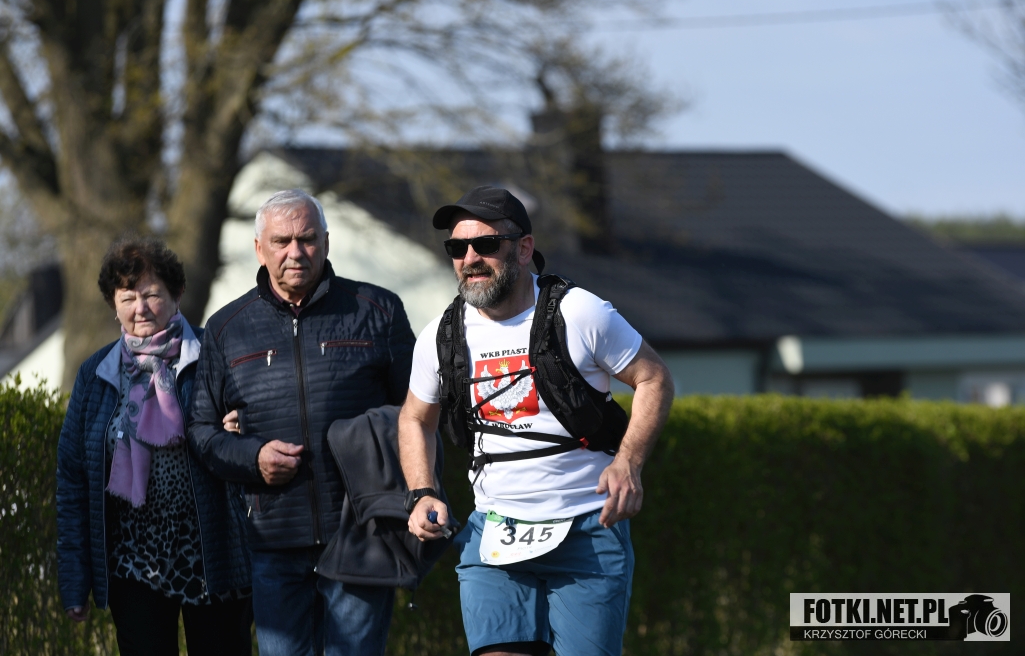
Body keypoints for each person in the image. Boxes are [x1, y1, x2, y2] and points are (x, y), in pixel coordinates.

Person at [399, 186, 675, 656]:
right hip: (494, 531)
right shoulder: (440, 336)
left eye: (486, 244)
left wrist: (628, 462)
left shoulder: (579, 313)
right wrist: (422, 491)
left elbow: (654, 379)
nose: (470, 258)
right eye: (457, 248)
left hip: (587, 527)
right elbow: (414, 418)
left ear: (524, 248)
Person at [187, 189, 416, 656]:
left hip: (360, 533)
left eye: (308, 239)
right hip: (272, 540)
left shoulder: (378, 310)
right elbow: (201, 431)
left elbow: (418, 415)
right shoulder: (226, 328)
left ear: (326, 242)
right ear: (259, 249)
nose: (296, 252)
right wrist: (252, 456)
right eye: (281, 241)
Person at [56, 237, 252, 656]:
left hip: (212, 556)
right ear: (113, 304)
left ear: (177, 293)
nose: (140, 308)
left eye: (151, 295)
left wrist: (243, 427)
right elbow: (73, 480)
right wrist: (74, 581)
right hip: (133, 565)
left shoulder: (216, 355)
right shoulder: (95, 373)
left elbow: (257, 427)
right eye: (128, 298)